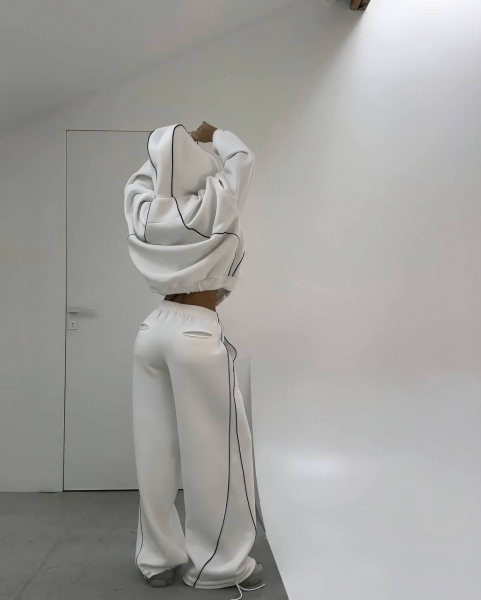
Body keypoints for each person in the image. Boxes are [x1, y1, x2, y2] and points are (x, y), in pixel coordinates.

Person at [123, 121, 264, 596]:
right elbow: (242, 158)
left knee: (155, 451)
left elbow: (142, 177)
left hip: (152, 329)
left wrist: (168, 148)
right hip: (195, 333)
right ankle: (220, 566)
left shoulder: (146, 209)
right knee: (218, 453)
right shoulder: (217, 199)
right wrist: (214, 134)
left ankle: (157, 558)